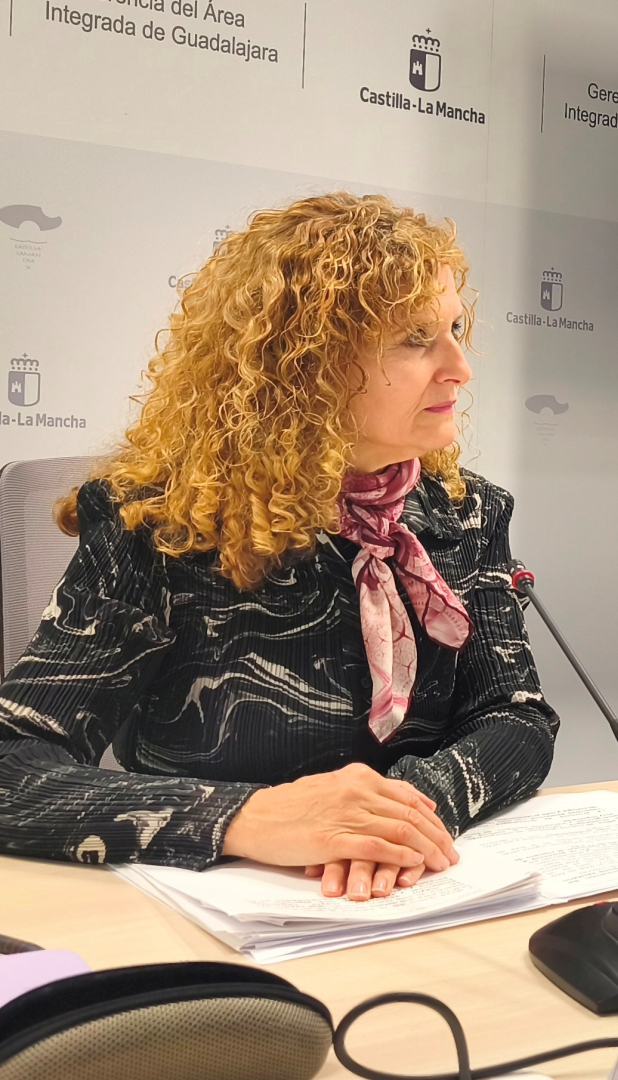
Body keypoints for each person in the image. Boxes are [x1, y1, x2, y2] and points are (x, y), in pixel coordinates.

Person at [0, 193, 558, 902]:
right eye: (415, 339)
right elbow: (12, 765)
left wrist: (405, 813)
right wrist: (248, 817)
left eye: (453, 329)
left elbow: (515, 715)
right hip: (221, 904)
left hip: (411, 893)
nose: (460, 368)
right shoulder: (159, 522)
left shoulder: (464, 510)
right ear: (307, 365)